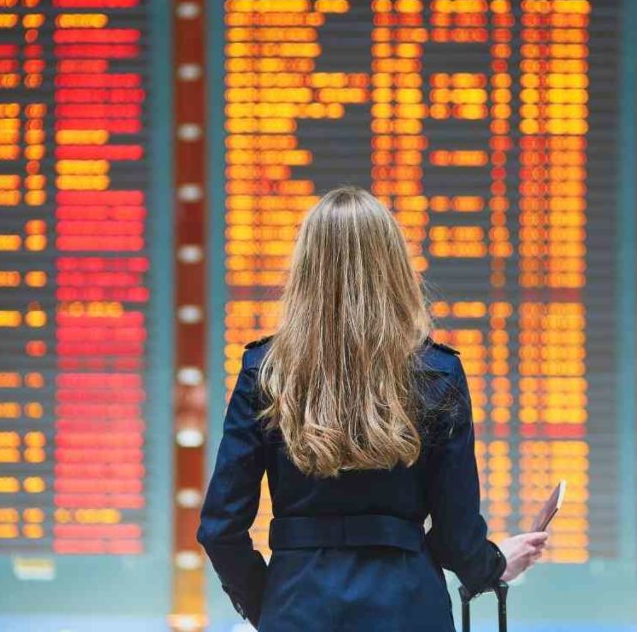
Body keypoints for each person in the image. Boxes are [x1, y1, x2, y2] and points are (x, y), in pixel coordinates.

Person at [197, 186, 550, 630]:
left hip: (297, 606)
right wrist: (495, 563)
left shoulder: (265, 372)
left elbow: (221, 529)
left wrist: (267, 603)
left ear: (305, 269)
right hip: (408, 608)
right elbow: (456, 535)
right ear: (393, 266)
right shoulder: (438, 373)